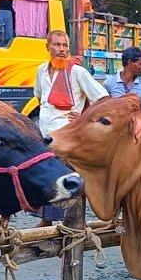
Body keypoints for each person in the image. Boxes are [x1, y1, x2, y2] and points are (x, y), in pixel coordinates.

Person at [33, 29, 109, 227]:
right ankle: (48, 220)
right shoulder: (41, 70)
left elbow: (103, 99)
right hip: (46, 135)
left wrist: (85, 117)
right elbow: (39, 97)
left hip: (68, 137)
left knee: (61, 177)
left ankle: (57, 223)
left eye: (65, 45)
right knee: (47, 176)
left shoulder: (77, 72)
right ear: (47, 47)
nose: (61, 49)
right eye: (57, 45)